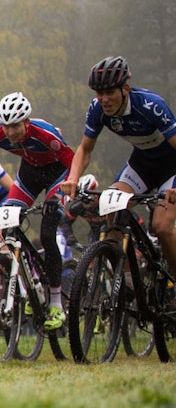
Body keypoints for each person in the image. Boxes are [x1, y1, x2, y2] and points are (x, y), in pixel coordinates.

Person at [0, 92, 75, 331]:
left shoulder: (45, 135)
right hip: (29, 175)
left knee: (46, 232)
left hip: (57, 174)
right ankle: (31, 280)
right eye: (6, 126)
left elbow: (73, 161)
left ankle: (56, 303)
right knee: (7, 227)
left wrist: (61, 194)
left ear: (26, 122)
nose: (10, 133)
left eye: (15, 126)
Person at [59, 56, 176, 278]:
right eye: (99, 94)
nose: (104, 99)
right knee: (111, 211)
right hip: (142, 165)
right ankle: (129, 285)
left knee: (161, 227)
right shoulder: (97, 109)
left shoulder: (151, 105)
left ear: (126, 89)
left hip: (171, 168)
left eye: (110, 92)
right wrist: (73, 178)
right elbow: (85, 149)